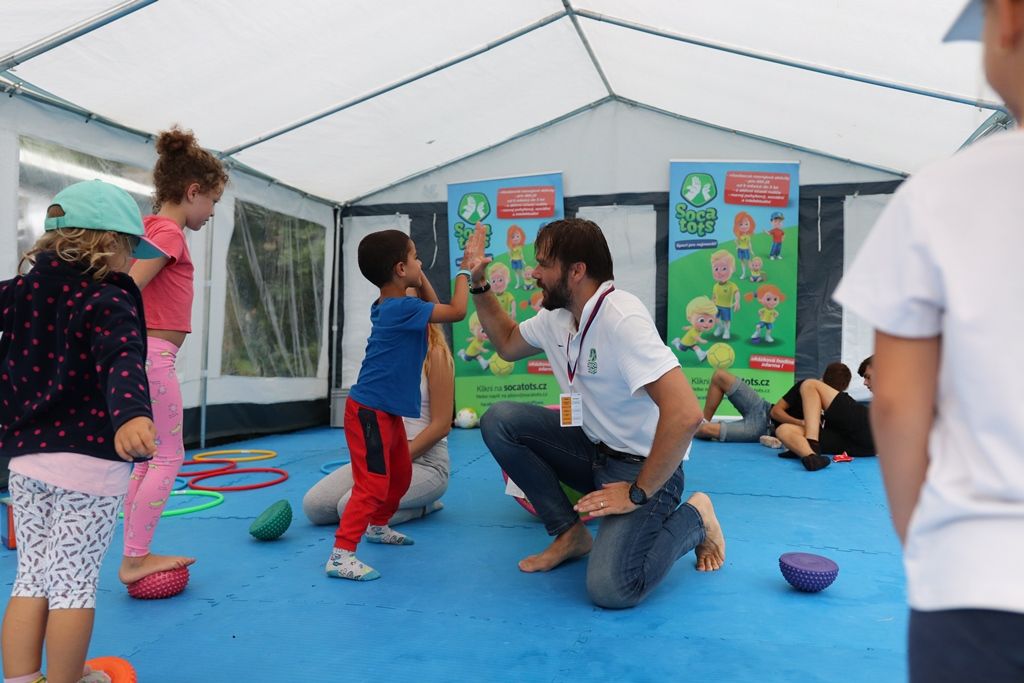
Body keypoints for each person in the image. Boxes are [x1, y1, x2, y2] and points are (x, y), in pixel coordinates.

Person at [834, 1, 1024, 679]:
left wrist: (931, 542)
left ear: (1010, 19)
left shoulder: (943, 193)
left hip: (982, 578)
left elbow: (896, 402)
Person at [465, 217, 725, 609]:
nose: (533, 273)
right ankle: (570, 533)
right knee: (500, 420)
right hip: (591, 451)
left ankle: (696, 517)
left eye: (543, 264)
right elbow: (506, 342)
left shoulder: (622, 318)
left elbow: (686, 413)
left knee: (612, 589)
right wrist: (479, 283)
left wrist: (637, 492)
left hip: (643, 470)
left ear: (576, 271)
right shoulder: (556, 317)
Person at [0, 180, 161, 683]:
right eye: (130, 249)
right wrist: (132, 414)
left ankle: (22, 679)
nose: (131, 262)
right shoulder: (106, 298)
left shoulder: (16, 293)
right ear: (108, 242)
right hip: (87, 466)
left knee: (31, 577)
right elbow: (122, 358)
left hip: (25, 463)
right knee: (72, 583)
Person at [117, 126, 228, 586]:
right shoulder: (168, 232)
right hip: (152, 357)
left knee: (147, 460)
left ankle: (133, 551)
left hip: (143, 356)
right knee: (168, 457)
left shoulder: (147, 227)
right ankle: (135, 558)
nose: (212, 212)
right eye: (213, 202)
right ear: (193, 191)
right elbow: (128, 287)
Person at [326, 229, 470, 581]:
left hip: (384, 411)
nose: (421, 264)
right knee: (372, 484)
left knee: (401, 473)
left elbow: (433, 307)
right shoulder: (402, 308)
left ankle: (378, 525)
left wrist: (418, 276)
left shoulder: (389, 305)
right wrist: (465, 270)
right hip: (369, 413)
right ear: (400, 269)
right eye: (416, 257)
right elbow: (456, 311)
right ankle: (341, 555)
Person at [304, 322, 453, 527]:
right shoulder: (388, 354)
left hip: (427, 463)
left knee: (349, 508)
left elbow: (442, 426)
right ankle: (396, 506)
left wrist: (394, 460)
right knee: (315, 506)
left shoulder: (435, 354)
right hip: (384, 458)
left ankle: (423, 507)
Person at [695, 362, 851, 446]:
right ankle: (704, 419)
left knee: (703, 431)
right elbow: (775, 412)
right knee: (720, 376)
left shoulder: (838, 407)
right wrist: (801, 423)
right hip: (763, 407)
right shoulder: (807, 386)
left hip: (762, 430)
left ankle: (705, 427)